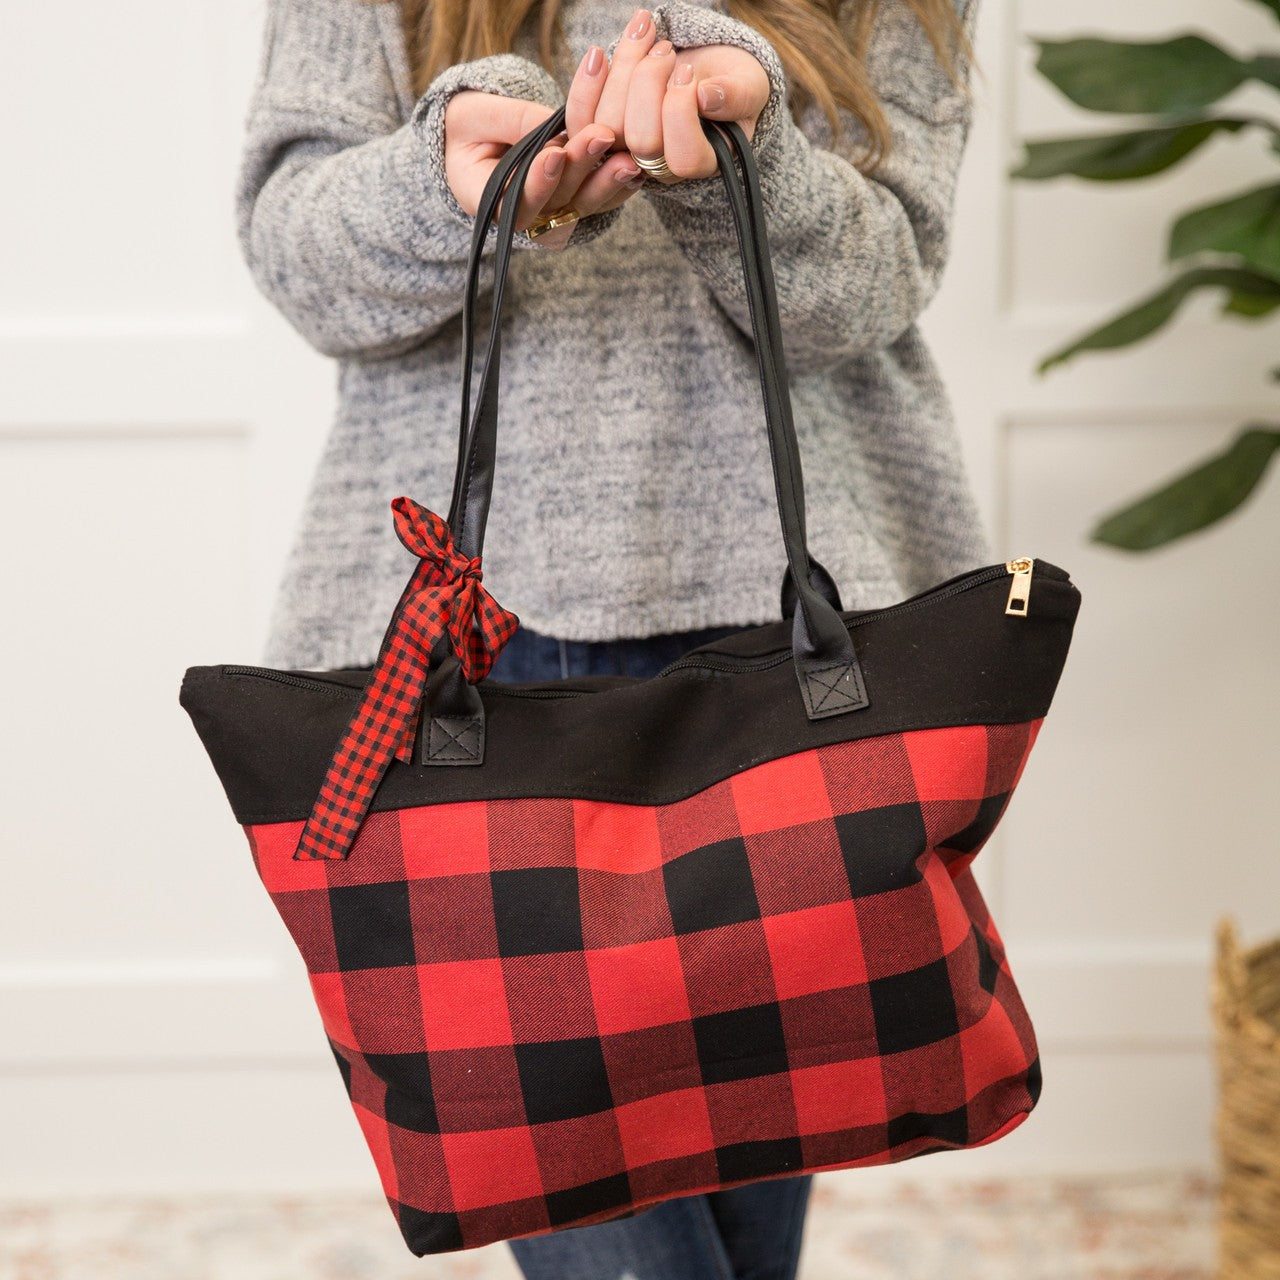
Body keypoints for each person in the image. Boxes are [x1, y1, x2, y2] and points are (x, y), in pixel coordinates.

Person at [235, 0, 987, 1275]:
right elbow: (299, 252)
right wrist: (452, 180)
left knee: (754, 1201)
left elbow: (883, 277)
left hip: (790, 640)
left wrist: (742, 159)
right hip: (479, 640)